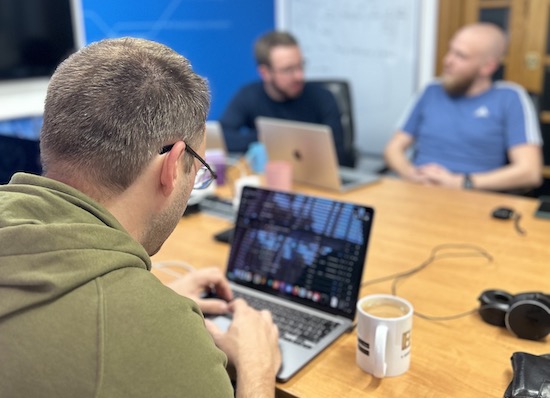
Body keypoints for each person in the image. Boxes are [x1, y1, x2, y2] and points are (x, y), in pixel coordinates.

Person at [0, 38, 281, 397]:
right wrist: (258, 366)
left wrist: (145, 299)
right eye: (198, 168)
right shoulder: (166, 338)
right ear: (171, 165)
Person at [384, 23, 543, 192]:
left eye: (461, 56)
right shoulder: (431, 91)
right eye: (450, 51)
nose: (447, 61)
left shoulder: (510, 97)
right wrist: (411, 174)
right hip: (419, 191)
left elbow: (530, 172)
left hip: (472, 198)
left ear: (487, 67)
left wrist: (460, 182)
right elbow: (393, 149)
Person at [220, 31, 354, 167]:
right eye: (288, 69)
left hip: (316, 177)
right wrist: (267, 137)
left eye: (300, 65)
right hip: (271, 177)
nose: (299, 76)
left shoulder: (324, 98)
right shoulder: (249, 95)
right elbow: (222, 136)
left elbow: (338, 157)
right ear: (265, 73)